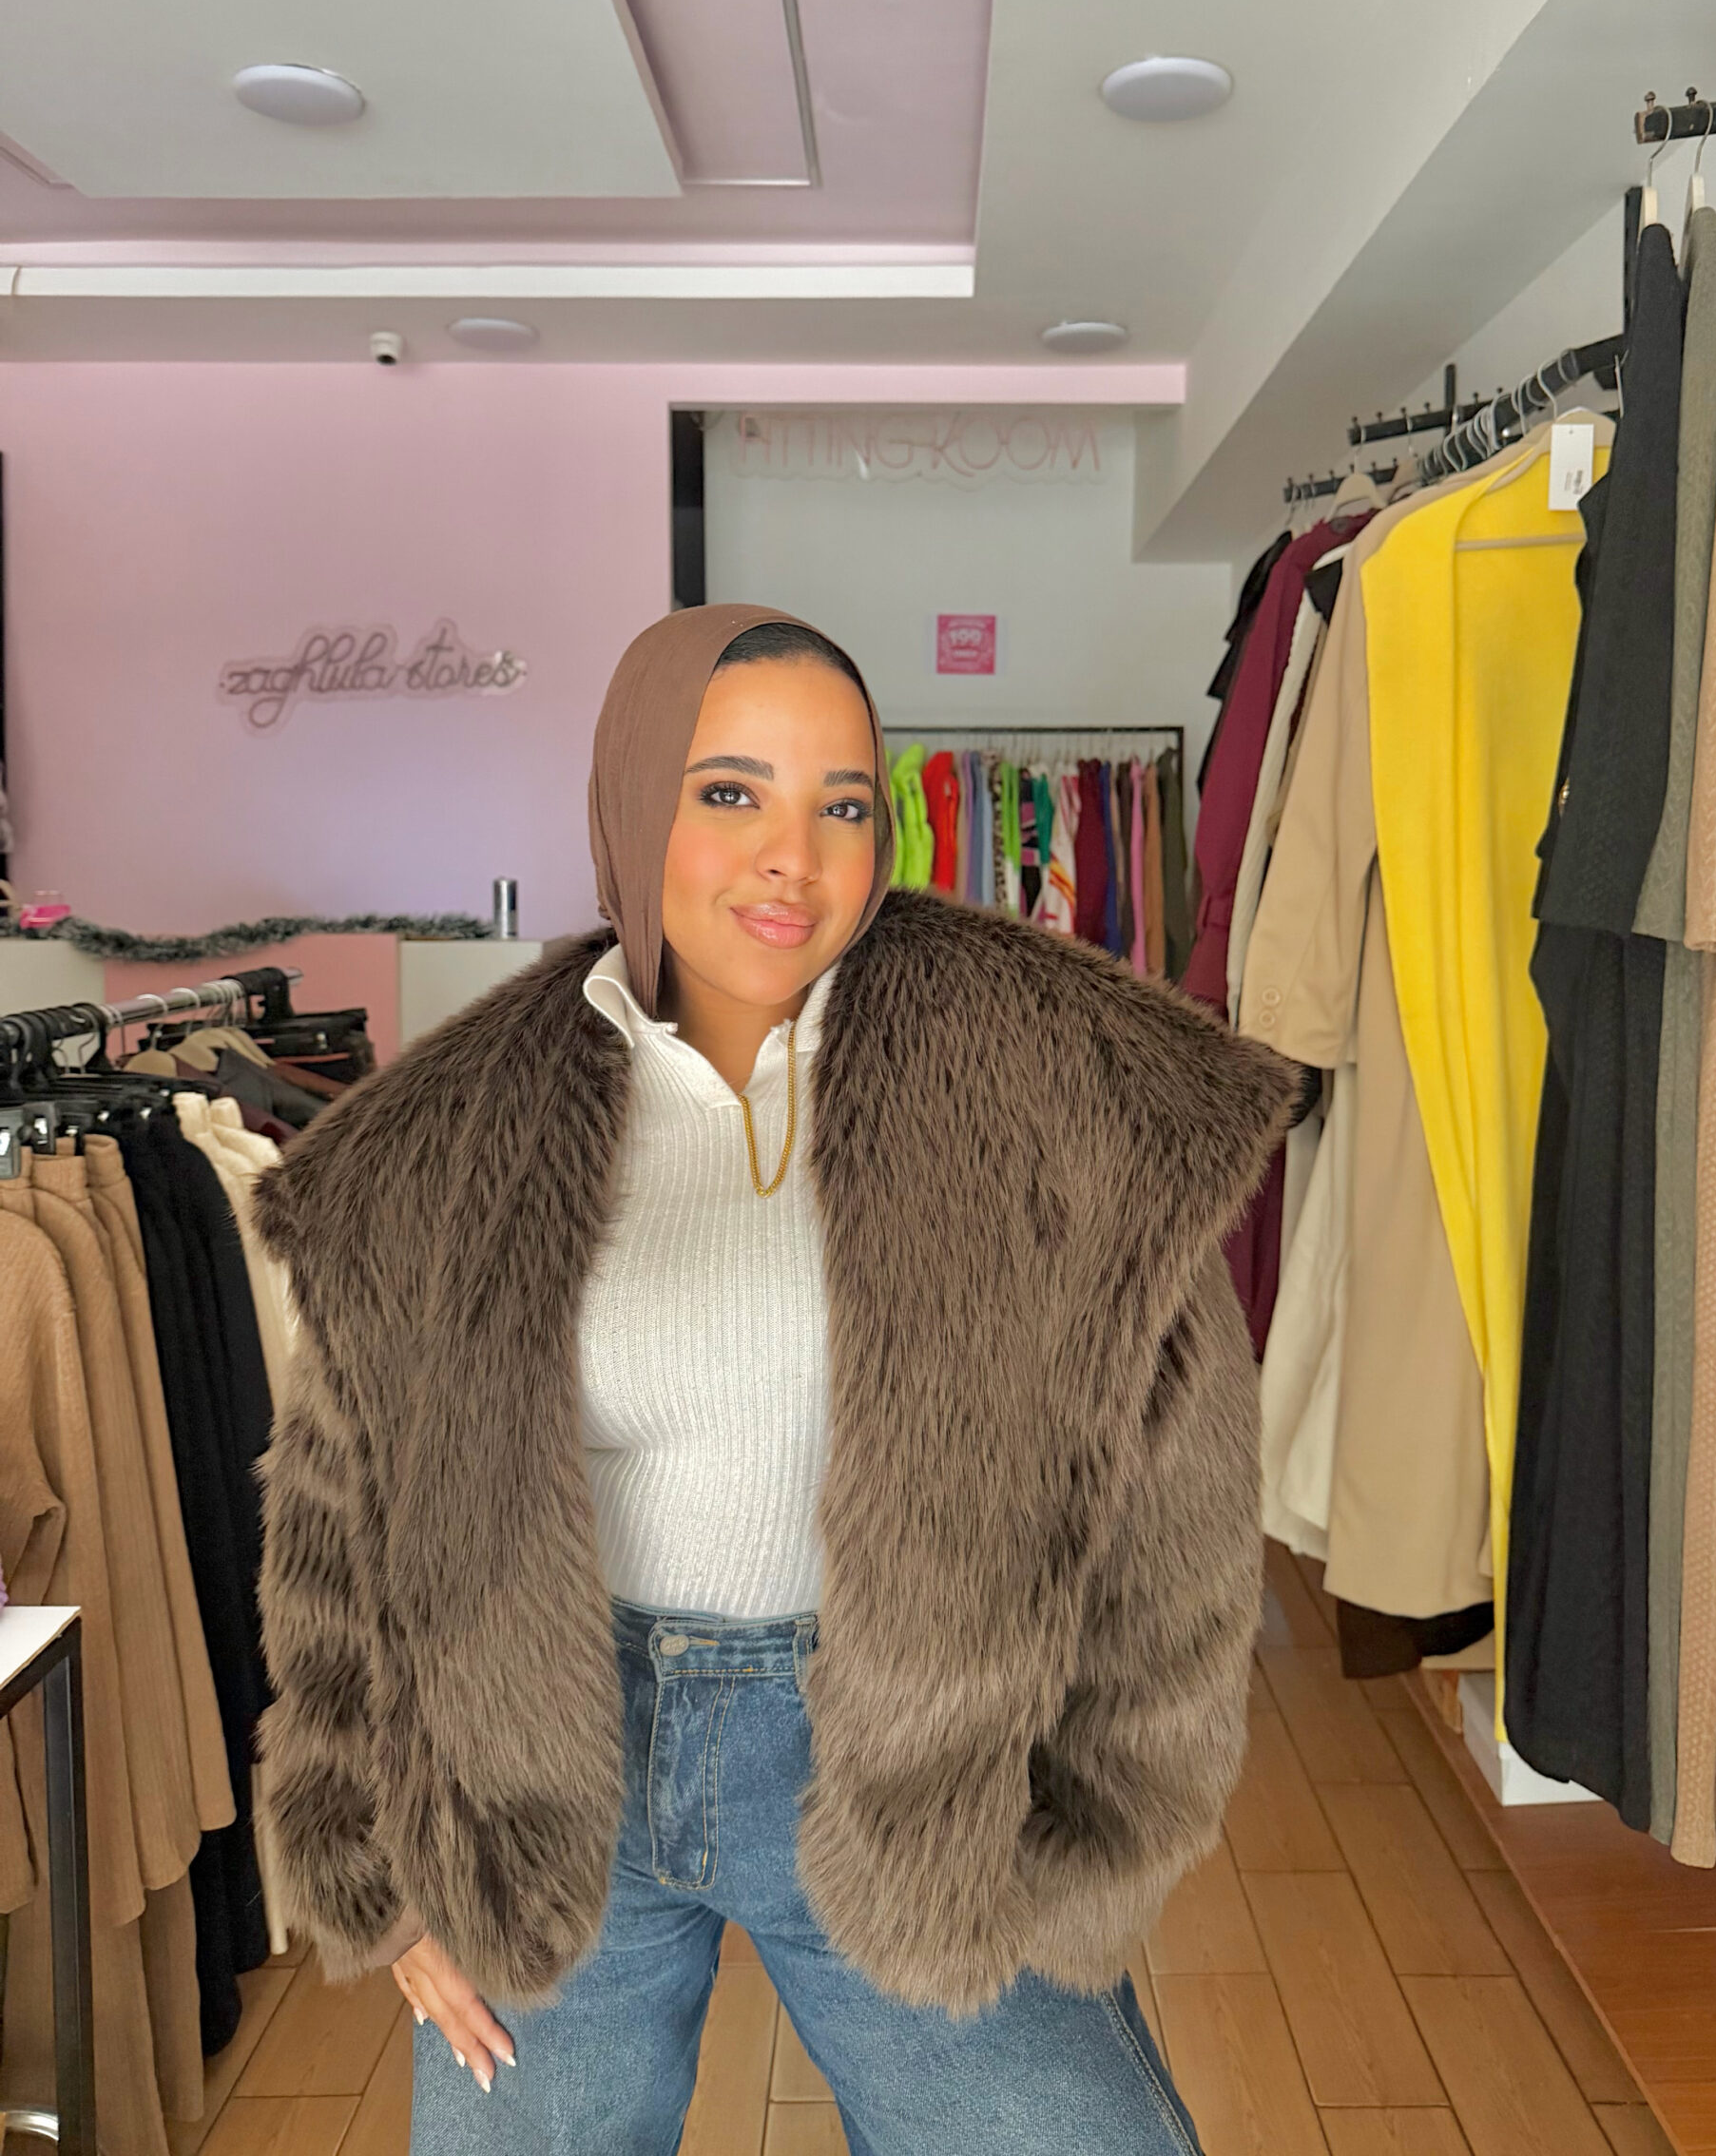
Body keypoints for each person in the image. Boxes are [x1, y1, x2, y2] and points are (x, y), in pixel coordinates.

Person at [253, 604, 1297, 2156]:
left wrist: (1094, 1838)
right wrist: (369, 1863)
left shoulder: (1060, 1084)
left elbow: (1182, 1496)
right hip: (545, 1778)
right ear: (631, 800)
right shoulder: (446, 1140)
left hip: (920, 1765)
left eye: (844, 805)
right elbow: (339, 1518)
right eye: (729, 791)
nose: (791, 858)